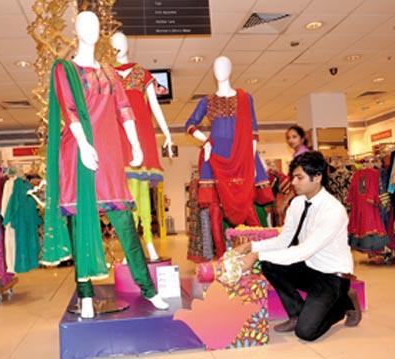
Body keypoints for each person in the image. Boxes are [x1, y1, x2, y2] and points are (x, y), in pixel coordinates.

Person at [43, 11, 168, 318]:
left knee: (126, 225)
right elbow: (69, 109)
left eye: (97, 24)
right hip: (79, 152)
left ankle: (148, 289)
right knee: (81, 224)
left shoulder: (111, 73)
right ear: (75, 29)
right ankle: (85, 294)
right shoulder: (65, 69)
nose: (93, 29)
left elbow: (124, 109)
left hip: (110, 156)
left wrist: (137, 145)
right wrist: (84, 145)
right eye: (85, 24)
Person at [236, 151, 361, 341]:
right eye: (293, 176)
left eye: (299, 177)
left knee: (306, 333)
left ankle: (344, 302)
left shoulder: (333, 211)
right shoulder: (297, 203)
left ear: (317, 177)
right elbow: (283, 241)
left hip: (331, 276)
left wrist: (257, 255)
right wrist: (251, 247)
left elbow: (303, 250)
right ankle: (296, 314)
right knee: (269, 265)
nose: (293, 182)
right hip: (310, 267)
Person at [184, 56, 260, 258]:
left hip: (239, 157)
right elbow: (190, 125)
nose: (220, 70)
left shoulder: (245, 98)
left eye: (224, 65)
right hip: (214, 157)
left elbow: (253, 131)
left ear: (231, 68)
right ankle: (220, 256)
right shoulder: (206, 101)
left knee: (246, 205)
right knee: (214, 209)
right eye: (216, 66)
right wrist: (205, 141)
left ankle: (263, 250)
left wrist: (251, 161)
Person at [111, 31, 173, 260]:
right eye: (114, 44)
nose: (119, 46)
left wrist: (167, 133)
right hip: (119, 137)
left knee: (141, 191)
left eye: (122, 42)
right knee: (128, 193)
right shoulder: (107, 74)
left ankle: (147, 240)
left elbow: (155, 106)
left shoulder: (141, 73)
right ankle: (134, 245)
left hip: (142, 133)